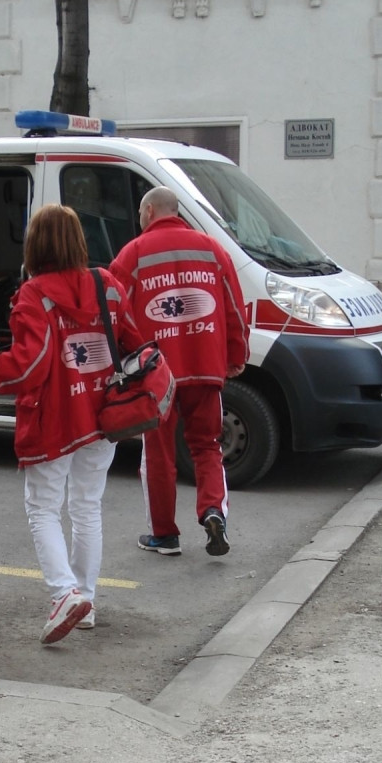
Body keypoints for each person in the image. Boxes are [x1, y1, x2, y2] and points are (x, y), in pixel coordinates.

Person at [0, 203, 143, 645]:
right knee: (86, 508)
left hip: (55, 419)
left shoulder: (33, 295)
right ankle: (85, 599)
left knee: (43, 509)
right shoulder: (108, 285)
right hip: (104, 417)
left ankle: (64, 595)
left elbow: (28, 367)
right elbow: (134, 345)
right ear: (78, 240)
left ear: (35, 244)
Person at [111, 186, 249, 558]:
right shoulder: (211, 248)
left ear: (150, 210)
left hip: (157, 375)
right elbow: (235, 307)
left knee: (157, 454)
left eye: (141, 213)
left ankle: (164, 535)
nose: (139, 220)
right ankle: (212, 511)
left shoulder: (133, 253)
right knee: (208, 446)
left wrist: (119, 364)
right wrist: (236, 354)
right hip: (205, 368)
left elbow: (113, 312)